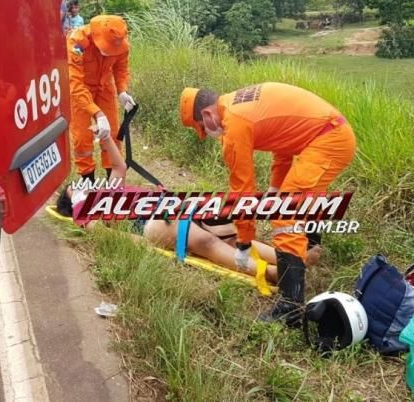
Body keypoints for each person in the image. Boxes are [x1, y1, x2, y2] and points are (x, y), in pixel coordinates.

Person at [179, 83, 357, 327]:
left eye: (201, 127)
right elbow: (283, 141)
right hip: (328, 134)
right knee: (299, 201)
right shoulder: (238, 103)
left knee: (285, 216)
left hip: (328, 140)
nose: (206, 133)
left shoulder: (235, 125)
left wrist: (243, 243)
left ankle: (291, 306)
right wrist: (275, 187)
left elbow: (242, 192)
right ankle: (309, 252)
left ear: (208, 115)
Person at [61, 128, 281, 283]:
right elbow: (95, 228)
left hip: (170, 205)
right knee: (207, 241)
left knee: (231, 233)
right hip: (147, 222)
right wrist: (136, 242)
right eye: (76, 189)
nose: (82, 187)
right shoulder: (83, 209)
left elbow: (118, 167)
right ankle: (270, 272)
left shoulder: (108, 192)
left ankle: (287, 259)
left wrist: (106, 138)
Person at [63, 15, 136, 183]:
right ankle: (87, 180)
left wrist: (122, 91)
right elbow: (74, 83)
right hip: (81, 90)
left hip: (104, 87)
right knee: (82, 137)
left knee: (113, 133)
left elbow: (121, 69)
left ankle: (113, 178)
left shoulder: (121, 43)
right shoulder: (77, 42)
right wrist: (97, 114)